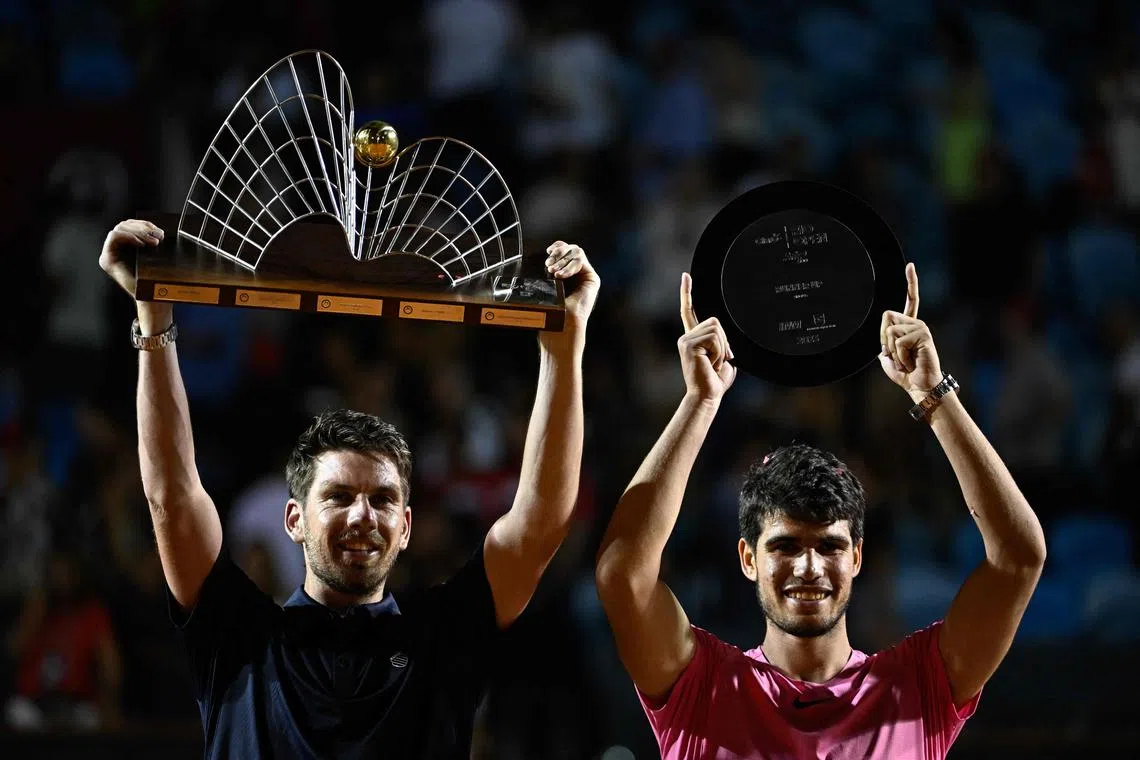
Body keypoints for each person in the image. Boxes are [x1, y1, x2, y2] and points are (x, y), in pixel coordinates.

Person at [98, 219, 599, 758]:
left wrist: (565, 347)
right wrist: (152, 319)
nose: (363, 515)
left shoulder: (441, 639)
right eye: (338, 497)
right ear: (294, 519)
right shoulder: (239, 635)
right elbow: (171, 497)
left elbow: (540, 522)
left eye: (383, 499)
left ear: (405, 527)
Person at [595, 266, 1046, 759]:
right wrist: (700, 402)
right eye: (785, 545)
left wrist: (934, 395)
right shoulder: (702, 685)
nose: (809, 566)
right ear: (748, 558)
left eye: (829, 545)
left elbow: (1019, 557)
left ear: (856, 556)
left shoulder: (916, 689)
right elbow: (623, 574)